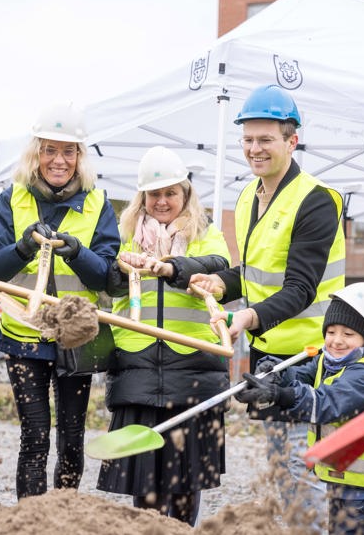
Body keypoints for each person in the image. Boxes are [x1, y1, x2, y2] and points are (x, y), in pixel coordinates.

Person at [189, 84, 346, 529]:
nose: (254, 149)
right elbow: (257, 272)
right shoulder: (248, 196)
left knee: (301, 466)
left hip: (311, 356)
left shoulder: (316, 200)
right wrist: (222, 281)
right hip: (271, 354)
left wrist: (247, 316)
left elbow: (300, 288)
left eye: (265, 140)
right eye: (248, 140)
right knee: (284, 466)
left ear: (291, 141)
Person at [0, 102, 120, 498]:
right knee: (36, 437)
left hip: (76, 338)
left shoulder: (98, 203)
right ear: (35, 153)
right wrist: (23, 247)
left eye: (68, 151)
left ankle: (63, 515)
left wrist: (78, 252)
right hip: (24, 334)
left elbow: (109, 276)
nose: (59, 160)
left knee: (72, 439)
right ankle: (31, 520)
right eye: (50, 150)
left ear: (80, 157)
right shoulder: (12, 199)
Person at [95, 146, 229, 525]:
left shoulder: (206, 233)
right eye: (155, 194)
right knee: (145, 482)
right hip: (137, 370)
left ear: (185, 194)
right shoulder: (126, 237)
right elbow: (110, 281)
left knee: (187, 482)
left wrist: (171, 266)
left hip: (192, 373)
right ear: (143, 198)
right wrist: (124, 269)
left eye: (171, 192)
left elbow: (217, 265)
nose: (162, 201)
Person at [235, 282, 364, 534]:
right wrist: (276, 372)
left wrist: (279, 394)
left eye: (348, 334)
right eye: (331, 331)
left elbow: (326, 403)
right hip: (343, 474)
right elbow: (302, 375)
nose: (336, 341)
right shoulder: (331, 360)